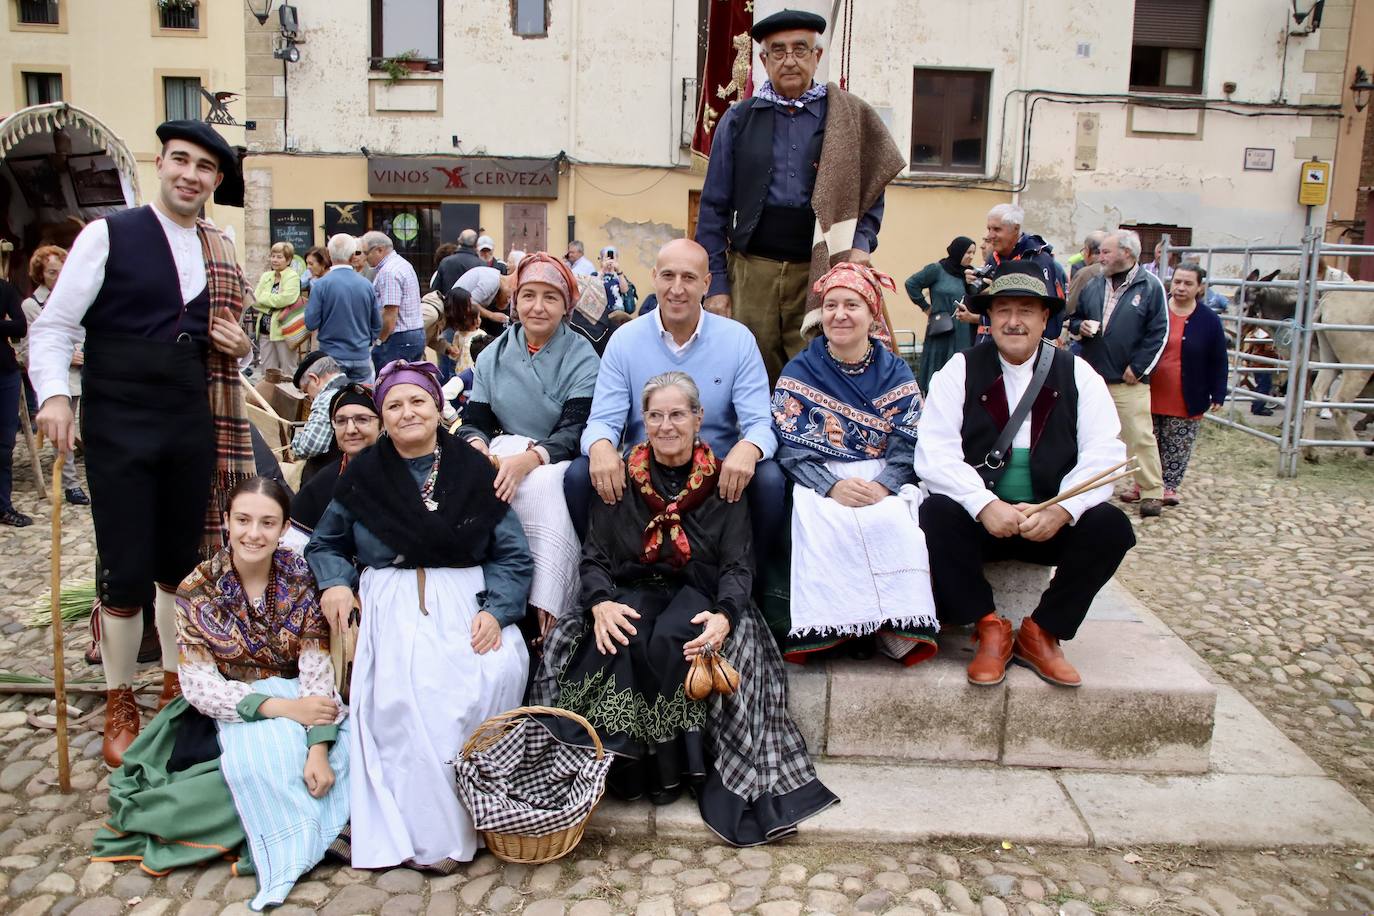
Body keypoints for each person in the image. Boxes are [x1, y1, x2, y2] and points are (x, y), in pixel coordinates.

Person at [29, 119, 255, 766]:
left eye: (204, 168)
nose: (190, 175)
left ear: (215, 180)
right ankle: (120, 699)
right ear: (160, 164)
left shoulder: (220, 247)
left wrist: (241, 346)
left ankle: (175, 687)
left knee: (179, 567)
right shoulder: (108, 235)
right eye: (180, 161)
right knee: (124, 569)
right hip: (119, 417)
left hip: (188, 416)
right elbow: (54, 327)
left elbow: (235, 344)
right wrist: (53, 396)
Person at [532, 372, 838, 845]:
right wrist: (600, 603)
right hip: (634, 587)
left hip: (701, 592)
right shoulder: (621, 478)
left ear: (698, 418)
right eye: (655, 415)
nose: (666, 425)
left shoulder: (723, 481)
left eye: (677, 414)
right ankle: (628, 776)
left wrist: (726, 615)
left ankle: (681, 774)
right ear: (643, 420)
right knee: (623, 637)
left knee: (678, 637)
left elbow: (737, 564)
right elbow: (595, 557)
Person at [305, 359, 530, 871]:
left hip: (467, 602)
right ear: (383, 417)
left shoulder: (474, 470)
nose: (407, 412)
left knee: (489, 674)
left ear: (437, 407)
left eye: (417, 401)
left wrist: (497, 611)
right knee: (405, 698)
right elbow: (326, 543)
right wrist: (335, 583)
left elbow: (512, 554)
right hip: (392, 603)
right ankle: (416, 834)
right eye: (394, 405)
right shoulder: (365, 474)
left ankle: (468, 821)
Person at [92, 477, 348, 910]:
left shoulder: (302, 576)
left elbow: (315, 665)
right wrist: (283, 708)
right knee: (253, 772)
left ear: (285, 528)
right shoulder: (197, 588)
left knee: (341, 759)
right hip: (227, 706)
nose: (254, 533)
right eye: (243, 520)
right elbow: (199, 685)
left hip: (301, 695)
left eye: (268, 523)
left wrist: (318, 747)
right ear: (226, 521)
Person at [915, 261, 1136, 688]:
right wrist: (984, 505)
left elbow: (1104, 453)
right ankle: (987, 627)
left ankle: (1043, 631)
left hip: (1047, 523)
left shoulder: (1079, 375)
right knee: (935, 514)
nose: (1013, 321)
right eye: (1003, 310)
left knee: (1111, 526)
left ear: (1044, 318)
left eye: (1026, 311)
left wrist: (1062, 511)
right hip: (982, 524)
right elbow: (935, 453)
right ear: (989, 316)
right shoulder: (958, 370)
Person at [696, 8, 904, 385]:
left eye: (800, 49)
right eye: (778, 51)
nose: (789, 60)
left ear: (817, 56)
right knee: (748, 376)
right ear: (764, 61)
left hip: (821, 272)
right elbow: (712, 209)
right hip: (751, 274)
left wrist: (860, 244)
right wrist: (718, 287)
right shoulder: (738, 119)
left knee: (821, 377)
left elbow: (871, 191)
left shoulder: (848, 116)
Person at [567, 239, 783, 568]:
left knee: (769, 478)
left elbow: (760, 424)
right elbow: (602, 421)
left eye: (689, 278)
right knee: (579, 475)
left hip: (717, 476)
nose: (677, 289)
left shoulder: (737, 340)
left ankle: (753, 576)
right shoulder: (625, 340)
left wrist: (749, 447)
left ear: (706, 284)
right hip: (644, 474)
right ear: (654, 277)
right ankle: (605, 570)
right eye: (668, 276)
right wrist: (600, 446)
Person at [773, 263, 938, 663]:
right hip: (821, 476)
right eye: (831, 305)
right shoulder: (801, 369)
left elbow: (910, 439)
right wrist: (830, 487)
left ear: (871, 314)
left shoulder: (894, 370)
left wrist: (884, 485)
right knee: (824, 522)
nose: (840, 314)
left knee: (893, 521)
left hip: (882, 476)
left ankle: (891, 626)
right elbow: (789, 445)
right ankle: (838, 629)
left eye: (852, 305)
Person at [457, 253, 600, 627]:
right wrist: (478, 448)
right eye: (529, 296)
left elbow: (574, 428)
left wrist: (530, 459)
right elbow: (475, 422)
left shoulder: (582, 356)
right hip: (505, 451)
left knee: (546, 486)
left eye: (550, 297)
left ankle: (548, 604)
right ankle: (482, 590)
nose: (538, 307)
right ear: (515, 301)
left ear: (566, 305)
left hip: (556, 457)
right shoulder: (493, 355)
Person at [1070, 229, 1169, 518]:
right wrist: (1079, 327)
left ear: (1126, 253)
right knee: (1083, 433)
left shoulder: (1150, 286)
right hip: (1093, 375)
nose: (1100, 257)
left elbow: (1159, 332)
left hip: (1128, 379)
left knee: (1138, 435)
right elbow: (1073, 318)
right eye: (1100, 252)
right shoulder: (1093, 283)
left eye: (1106, 252)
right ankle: (1082, 487)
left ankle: (1151, 491)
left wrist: (1138, 368)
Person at [1151, 263, 1227, 506]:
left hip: (1187, 393)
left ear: (1199, 287)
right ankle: (1145, 484)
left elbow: (1219, 358)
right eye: (1177, 282)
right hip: (1151, 391)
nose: (1181, 288)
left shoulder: (1209, 320)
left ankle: (1169, 486)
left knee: (1177, 444)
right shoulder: (1157, 310)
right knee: (1148, 441)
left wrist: (1218, 392)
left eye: (1188, 283)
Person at [19, 245, 87, 504]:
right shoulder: (32, 305)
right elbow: (32, 346)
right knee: (63, 431)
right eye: (51, 272)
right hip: (59, 377)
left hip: (83, 373)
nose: (57, 277)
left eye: (61, 271)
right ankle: (71, 483)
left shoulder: (76, 299)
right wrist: (67, 357)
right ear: (41, 274)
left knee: (83, 427)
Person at [285, 382, 380, 549]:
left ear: (382, 424)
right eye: (341, 421)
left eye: (362, 419)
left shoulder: (406, 472)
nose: (350, 430)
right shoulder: (322, 483)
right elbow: (295, 546)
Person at [970, 204, 1067, 344]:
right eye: (989, 229)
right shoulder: (994, 257)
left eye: (997, 229)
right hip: (988, 342)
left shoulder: (1038, 259)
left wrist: (999, 289)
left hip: (1022, 345)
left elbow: (1046, 309)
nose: (990, 236)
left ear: (1015, 228)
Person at [305, 233, 381, 385]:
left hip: (331, 355)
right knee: (362, 396)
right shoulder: (366, 285)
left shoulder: (321, 285)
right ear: (352, 256)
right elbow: (377, 324)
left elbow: (311, 323)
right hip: (360, 355)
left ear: (329, 255)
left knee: (333, 397)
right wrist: (365, 342)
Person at [904, 236, 978, 391]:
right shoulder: (937, 270)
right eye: (968, 252)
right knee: (938, 370)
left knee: (960, 374)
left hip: (964, 331)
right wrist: (925, 307)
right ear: (958, 251)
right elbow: (911, 284)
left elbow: (974, 299)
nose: (971, 256)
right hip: (942, 330)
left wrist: (971, 284)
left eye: (973, 253)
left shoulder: (970, 274)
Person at [363, 230, 424, 372]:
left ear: (379, 250)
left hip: (398, 338)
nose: (365, 258)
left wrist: (380, 340)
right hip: (414, 334)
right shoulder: (402, 264)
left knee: (390, 382)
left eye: (366, 253)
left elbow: (390, 314)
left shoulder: (388, 272)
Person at [1, 272, 28, 526]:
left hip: (5, 373)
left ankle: (3, 506)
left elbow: (20, 326)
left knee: (4, 445)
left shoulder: (4, 288)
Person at [253, 241, 303, 377]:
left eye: (279, 257)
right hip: (265, 331)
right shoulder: (266, 276)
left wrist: (264, 299)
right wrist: (272, 305)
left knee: (288, 371)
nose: (274, 260)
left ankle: (289, 392)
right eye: (273, 256)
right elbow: (255, 299)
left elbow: (286, 299)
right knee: (268, 373)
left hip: (284, 330)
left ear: (288, 260)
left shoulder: (292, 276)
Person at [289, 351, 348, 460]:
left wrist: (296, 440)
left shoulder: (326, 399)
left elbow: (310, 447)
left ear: (314, 379)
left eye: (306, 391)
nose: (310, 399)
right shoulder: (352, 387)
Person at [431, 229, 484, 296]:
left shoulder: (446, 262)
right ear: (476, 244)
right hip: (472, 302)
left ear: (459, 240)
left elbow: (435, 291)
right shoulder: (481, 265)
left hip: (448, 301)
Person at [598, 246, 637, 320]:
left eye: (612, 257)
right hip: (600, 315)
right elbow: (593, 286)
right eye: (606, 257)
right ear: (601, 259)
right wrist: (603, 269)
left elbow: (625, 291)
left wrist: (619, 271)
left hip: (617, 316)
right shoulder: (597, 275)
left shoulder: (620, 276)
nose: (610, 260)